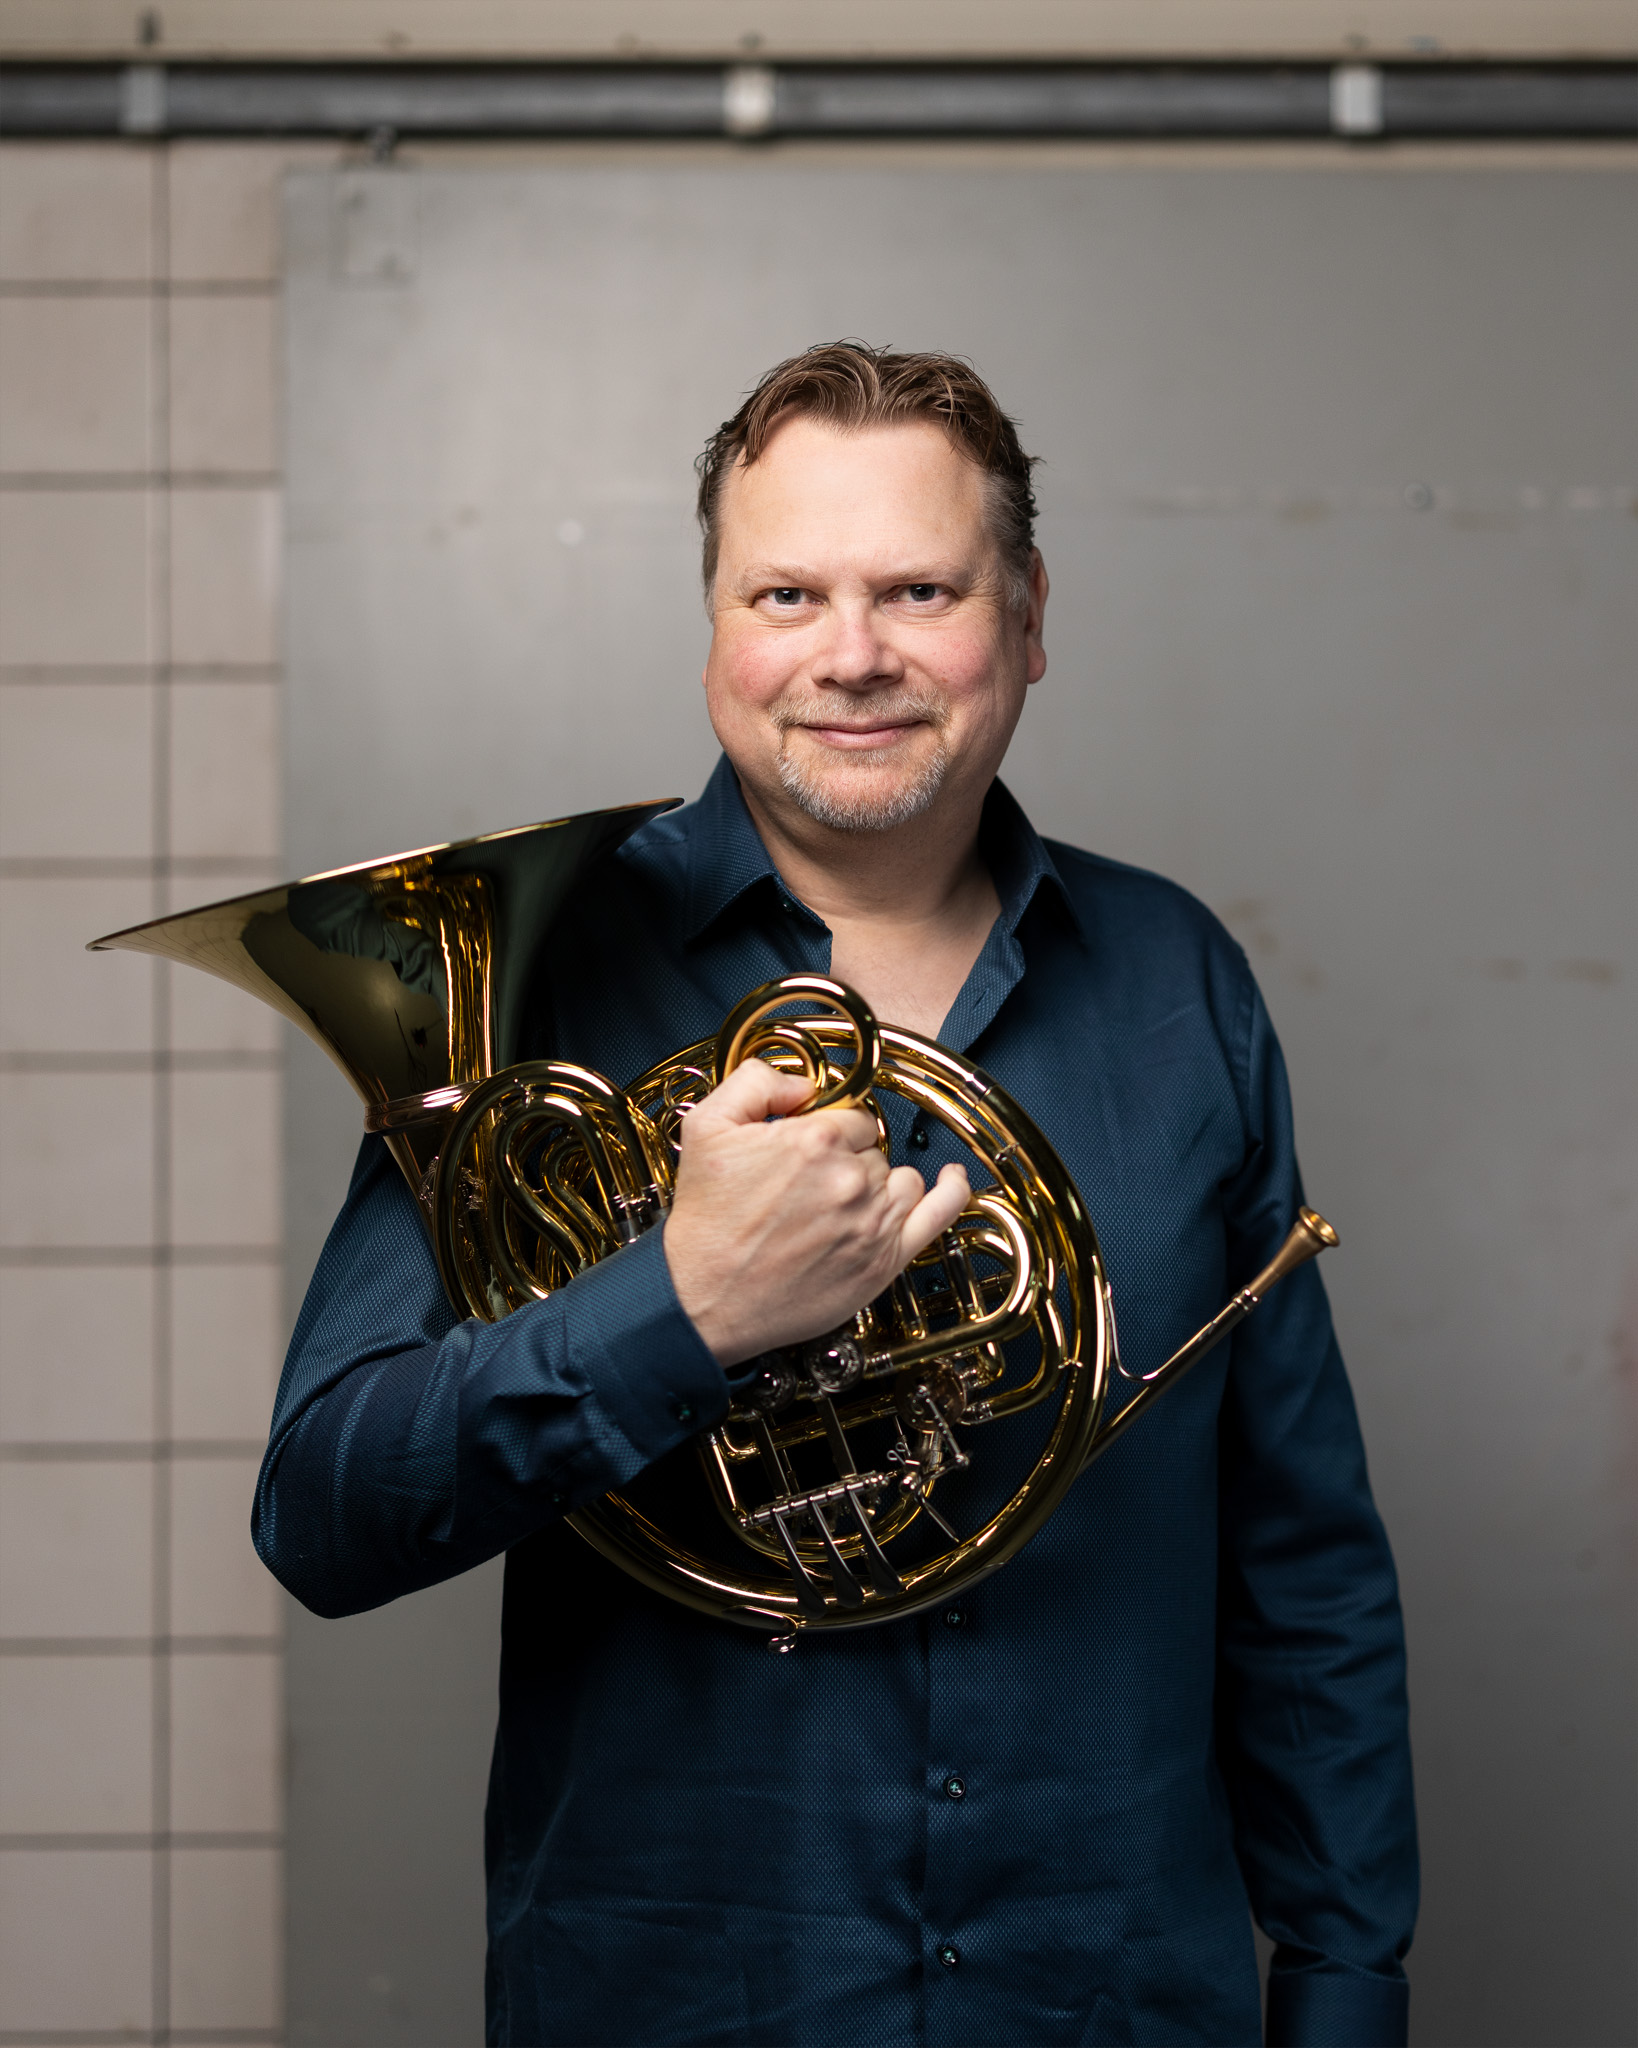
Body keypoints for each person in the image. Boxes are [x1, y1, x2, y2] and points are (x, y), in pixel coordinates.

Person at [257, 343, 1417, 2047]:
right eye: (785, 592)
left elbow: (1301, 1567)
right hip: (679, 2000)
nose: (850, 652)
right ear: (714, 630)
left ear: (1027, 619)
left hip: (1104, 1994)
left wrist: (1342, 1989)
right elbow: (324, 1513)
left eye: (917, 590)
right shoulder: (532, 979)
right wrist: (681, 1309)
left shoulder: (1175, 979)